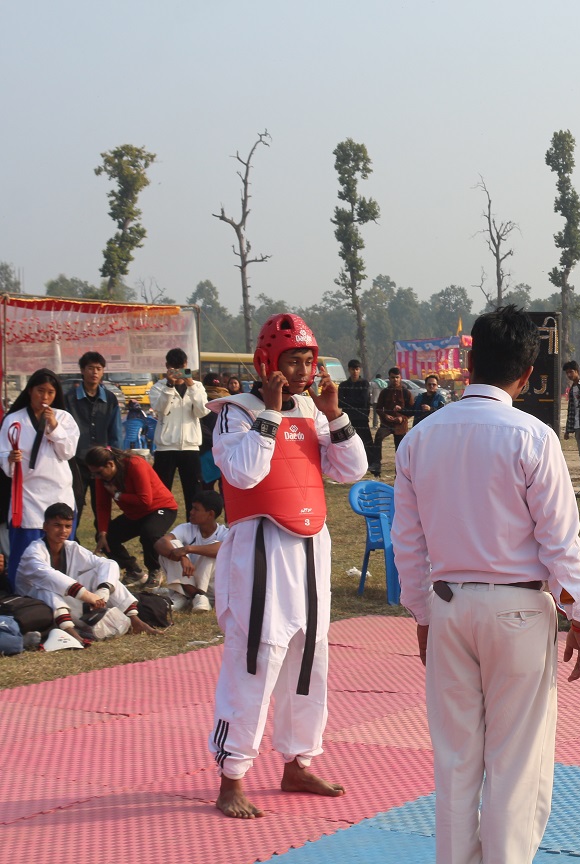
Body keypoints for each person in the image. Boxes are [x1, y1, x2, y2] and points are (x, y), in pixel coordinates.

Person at [392, 305, 580, 864]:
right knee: (516, 761)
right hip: (519, 608)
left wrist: (422, 615)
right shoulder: (534, 437)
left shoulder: (420, 439)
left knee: (456, 761)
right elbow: (560, 543)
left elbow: (407, 545)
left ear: (469, 363)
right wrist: (579, 614)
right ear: (527, 375)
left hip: (449, 606)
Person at [205, 313, 367, 819]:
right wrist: (271, 415)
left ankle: (298, 761)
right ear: (266, 363)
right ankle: (232, 775)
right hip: (261, 548)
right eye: (292, 361)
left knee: (309, 655)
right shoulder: (236, 411)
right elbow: (243, 472)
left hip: (311, 547)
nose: (302, 371)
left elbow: (351, 470)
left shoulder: (313, 411)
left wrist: (335, 416)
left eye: (307, 361)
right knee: (256, 656)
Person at [18, 503, 156, 644]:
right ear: (45, 526)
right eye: (57, 525)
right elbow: (50, 577)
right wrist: (88, 596)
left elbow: (106, 564)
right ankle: (71, 633)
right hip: (36, 601)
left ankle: (135, 621)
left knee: (103, 573)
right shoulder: (33, 552)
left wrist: (103, 591)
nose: (63, 531)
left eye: (67, 526)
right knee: (47, 589)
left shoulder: (72, 547)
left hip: (68, 599)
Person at [2, 369, 79, 593]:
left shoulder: (63, 418)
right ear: (30, 391)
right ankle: (23, 596)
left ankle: (62, 592)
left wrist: (54, 426)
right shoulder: (13, 420)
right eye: (40, 391)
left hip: (58, 491)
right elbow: (2, 453)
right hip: (27, 494)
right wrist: (9, 458)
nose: (44, 397)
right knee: (25, 551)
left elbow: (68, 452)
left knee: (59, 549)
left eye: (50, 392)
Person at [86, 445, 179, 589]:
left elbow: (145, 500)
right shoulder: (102, 478)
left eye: (98, 473)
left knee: (149, 533)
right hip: (135, 514)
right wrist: (103, 532)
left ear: (110, 464)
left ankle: (155, 570)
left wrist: (118, 495)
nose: (97, 477)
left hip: (161, 508)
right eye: (93, 474)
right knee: (106, 538)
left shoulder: (135, 464)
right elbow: (102, 506)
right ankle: (133, 571)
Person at [148, 347, 209, 515]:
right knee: (160, 493)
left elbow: (203, 411)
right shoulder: (158, 387)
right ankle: (158, 523)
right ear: (167, 367)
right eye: (174, 368)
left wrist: (191, 386)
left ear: (186, 365)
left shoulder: (197, 386)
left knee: (194, 494)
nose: (178, 372)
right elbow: (162, 409)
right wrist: (169, 386)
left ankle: (194, 526)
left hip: (190, 447)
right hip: (165, 448)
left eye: (181, 367)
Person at [68, 351, 123, 532]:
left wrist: (116, 460)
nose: (95, 372)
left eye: (99, 368)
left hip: (102, 464)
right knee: (73, 505)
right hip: (77, 463)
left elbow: (115, 433)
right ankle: (69, 541)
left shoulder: (110, 399)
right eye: (90, 368)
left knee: (102, 508)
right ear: (82, 370)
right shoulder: (69, 399)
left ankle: (104, 541)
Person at [153, 490, 228, 613]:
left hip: (210, 590)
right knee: (171, 546)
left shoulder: (224, 533)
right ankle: (192, 596)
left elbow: (223, 549)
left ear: (210, 514)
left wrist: (187, 549)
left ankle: (198, 596)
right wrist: (183, 557)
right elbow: (160, 543)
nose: (191, 512)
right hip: (187, 583)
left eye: (196, 509)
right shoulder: (186, 528)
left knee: (213, 549)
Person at [337, 359, 379, 477]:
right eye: (352, 369)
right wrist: (352, 403)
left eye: (357, 369)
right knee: (348, 443)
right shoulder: (344, 385)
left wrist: (349, 402)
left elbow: (363, 400)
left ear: (359, 370)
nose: (355, 371)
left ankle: (373, 465)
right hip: (348, 419)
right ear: (349, 370)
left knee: (367, 442)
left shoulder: (364, 384)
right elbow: (340, 402)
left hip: (361, 418)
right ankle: (349, 465)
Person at [373, 367, 413, 475]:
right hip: (387, 424)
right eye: (392, 377)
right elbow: (378, 408)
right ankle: (376, 464)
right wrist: (385, 416)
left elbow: (412, 410)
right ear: (389, 378)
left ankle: (399, 472)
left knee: (400, 449)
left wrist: (403, 417)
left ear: (400, 378)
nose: (395, 380)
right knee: (378, 438)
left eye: (397, 377)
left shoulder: (406, 393)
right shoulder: (385, 392)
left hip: (400, 425)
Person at [198, 373, 230, 492]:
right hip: (212, 448)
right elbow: (199, 424)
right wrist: (216, 440)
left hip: (219, 447)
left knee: (221, 487)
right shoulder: (201, 400)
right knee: (210, 487)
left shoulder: (228, 399)